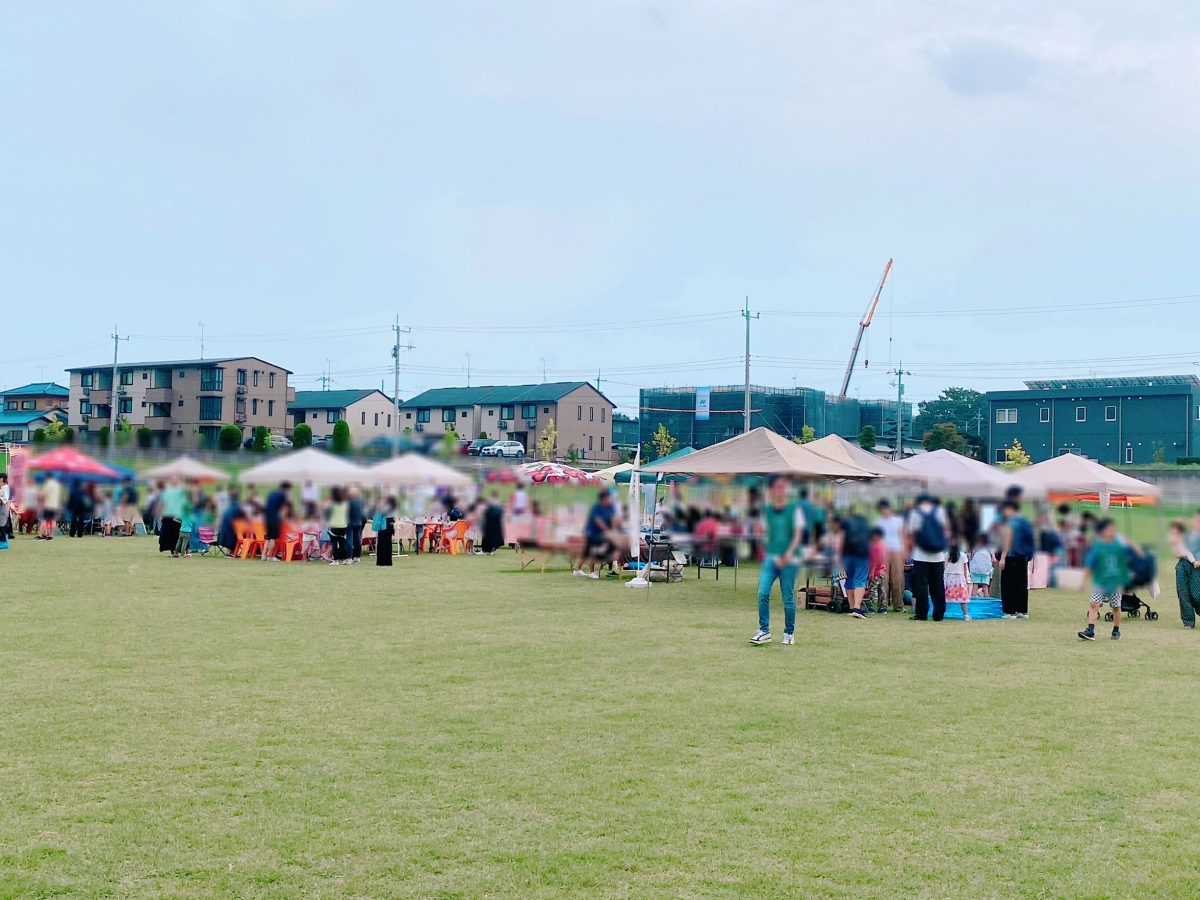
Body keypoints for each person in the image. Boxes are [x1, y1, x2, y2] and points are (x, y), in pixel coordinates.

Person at [749, 476, 806, 645]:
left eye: (783, 487)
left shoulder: (795, 510)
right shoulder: (767, 510)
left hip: (789, 559)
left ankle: (789, 632)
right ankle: (764, 630)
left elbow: (797, 534)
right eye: (776, 487)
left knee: (787, 597)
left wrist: (788, 555)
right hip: (771, 558)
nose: (779, 491)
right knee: (762, 593)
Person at [1078, 518, 1131, 642]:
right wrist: (1083, 581)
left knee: (1116, 606)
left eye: (1113, 530)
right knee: (1093, 604)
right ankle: (1090, 631)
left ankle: (1116, 630)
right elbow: (1090, 565)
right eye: (1109, 530)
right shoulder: (1098, 547)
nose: (1111, 532)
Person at [905, 493, 949, 622]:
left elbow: (912, 535)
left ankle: (922, 614)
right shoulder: (940, 511)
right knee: (938, 586)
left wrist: (909, 550)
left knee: (921, 586)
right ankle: (939, 614)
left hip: (920, 554)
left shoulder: (915, 513)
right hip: (938, 555)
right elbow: (945, 531)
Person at [998, 499, 1035, 619]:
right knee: (1021, 584)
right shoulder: (1025, 522)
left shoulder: (1010, 523)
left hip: (1011, 556)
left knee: (1008, 584)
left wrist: (1002, 558)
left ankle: (1009, 611)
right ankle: (1022, 610)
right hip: (1023, 556)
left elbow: (1007, 542)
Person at [573, 488, 621, 580]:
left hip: (602, 534)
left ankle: (577, 569)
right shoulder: (596, 507)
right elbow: (598, 521)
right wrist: (607, 530)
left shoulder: (610, 507)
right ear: (602, 499)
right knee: (593, 551)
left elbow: (613, 518)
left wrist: (614, 529)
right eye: (607, 498)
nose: (609, 500)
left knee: (587, 552)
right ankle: (591, 572)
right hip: (592, 532)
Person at [834, 508, 872, 619]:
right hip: (862, 555)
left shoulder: (845, 523)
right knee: (860, 580)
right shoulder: (866, 524)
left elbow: (839, 540)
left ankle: (851, 608)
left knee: (849, 579)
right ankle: (857, 608)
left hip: (847, 555)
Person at [875, 499, 906, 613]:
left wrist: (904, 551)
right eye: (882, 510)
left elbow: (902, 536)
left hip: (897, 550)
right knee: (883, 578)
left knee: (897, 578)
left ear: (890, 509)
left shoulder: (898, 520)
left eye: (886, 509)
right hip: (883, 551)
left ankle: (899, 605)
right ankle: (882, 605)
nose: (884, 512)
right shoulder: (879, 522)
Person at [1168, 519, 1200, 628]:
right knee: (1183, 594)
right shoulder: (1176, 541)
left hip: (1196, 566)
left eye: (1175, 532)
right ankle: (1188, 621)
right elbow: (1176, 553)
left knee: (1196, 595)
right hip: (1182, 565)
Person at [261, 481, 292, 561]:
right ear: (287, 489)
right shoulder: (282, 495)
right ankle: (269, 557)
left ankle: (263, 556)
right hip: (274, 519)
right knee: (273, 538)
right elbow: (284, 508)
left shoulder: (272, 493)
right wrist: (283, 519)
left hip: (267, 518)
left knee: (268, 537)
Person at [158, 476, 188, 556]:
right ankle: (172, 549)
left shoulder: (182, 491)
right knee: (168, 533)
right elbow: (164, 502)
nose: (174, 481)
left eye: (176, 479)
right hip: (168, 515)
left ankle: (181, 550)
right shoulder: (167, 491)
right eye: (173, 479)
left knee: (178, 532)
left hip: (178, 514)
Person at [944, 539, 972, 620]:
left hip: (948, 578)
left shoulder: (946, 555)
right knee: (962, 599)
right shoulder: (963, 555)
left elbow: (944, 567)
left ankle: (940, 612)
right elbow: (965, 569)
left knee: (945, 596)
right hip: (959, 579)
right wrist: (967, 580)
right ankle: (966, 615)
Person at [865, 527, 888, 614]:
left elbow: (874, 560)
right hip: (882, 570)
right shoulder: (883, 545)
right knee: (882, 589)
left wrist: (871, 572)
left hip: (876, 571)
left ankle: (871, 608)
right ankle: (883, 608)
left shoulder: (875, 546)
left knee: (872, 589)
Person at [327, 486, 350, 565]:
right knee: (342, 543)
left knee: (334, 544)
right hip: (343, 525)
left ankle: (336, 560)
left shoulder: (332, 504)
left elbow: (328, 514)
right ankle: (346, 559)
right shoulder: (345, 503)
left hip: (334, 525)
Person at [40, 473, 62, 540]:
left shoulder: (47, 484)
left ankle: (44, 534)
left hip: (47, 504)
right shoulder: (57, 485)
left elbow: (44, 494)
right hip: (55, 505)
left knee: (44, 519)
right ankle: (51, 535)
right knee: (53, 520)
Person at [347, 484, 365, 563]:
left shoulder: (348, 501)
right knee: (358, 539)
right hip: (358, 522)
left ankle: (349, 557)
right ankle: (357, 556)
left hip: (350, 522)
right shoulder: (361, 500)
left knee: (349, 540)